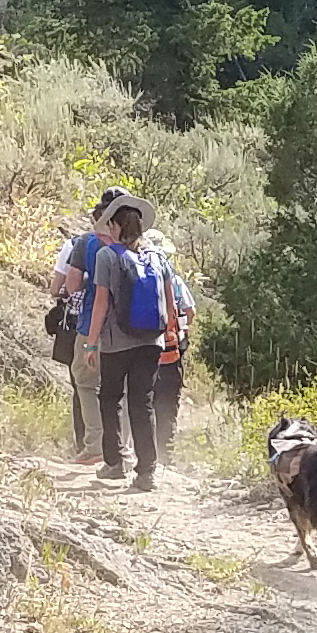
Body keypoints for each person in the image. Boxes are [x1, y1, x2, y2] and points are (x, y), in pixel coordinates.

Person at [54, 185, 137, 465]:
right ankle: (122, 446)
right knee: (122, 388)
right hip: (131, 329)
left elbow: (72, 284)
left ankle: (95, 444)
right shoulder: (140, 245)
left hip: (92, 324)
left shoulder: (85, 243)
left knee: (86, 382)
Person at [87, 194, 165, 490]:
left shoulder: (106, 257)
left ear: (117, 226)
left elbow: (101, 303)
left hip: (116, 342)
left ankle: (115, 463)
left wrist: (90, 343)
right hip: (152, 340)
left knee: (110, 399)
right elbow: (168, 298)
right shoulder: (157, 257)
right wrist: (167, 335)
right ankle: (147, 472)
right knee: (142, 403)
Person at [143, 229, 197, 465]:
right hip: (171, 351)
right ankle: (165, 452)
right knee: (167, 401)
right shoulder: (174, 280)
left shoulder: (135, 274)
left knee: (141, 399)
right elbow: (190, 311)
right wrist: (179, 331)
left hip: (141, 349)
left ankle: (142, 452)